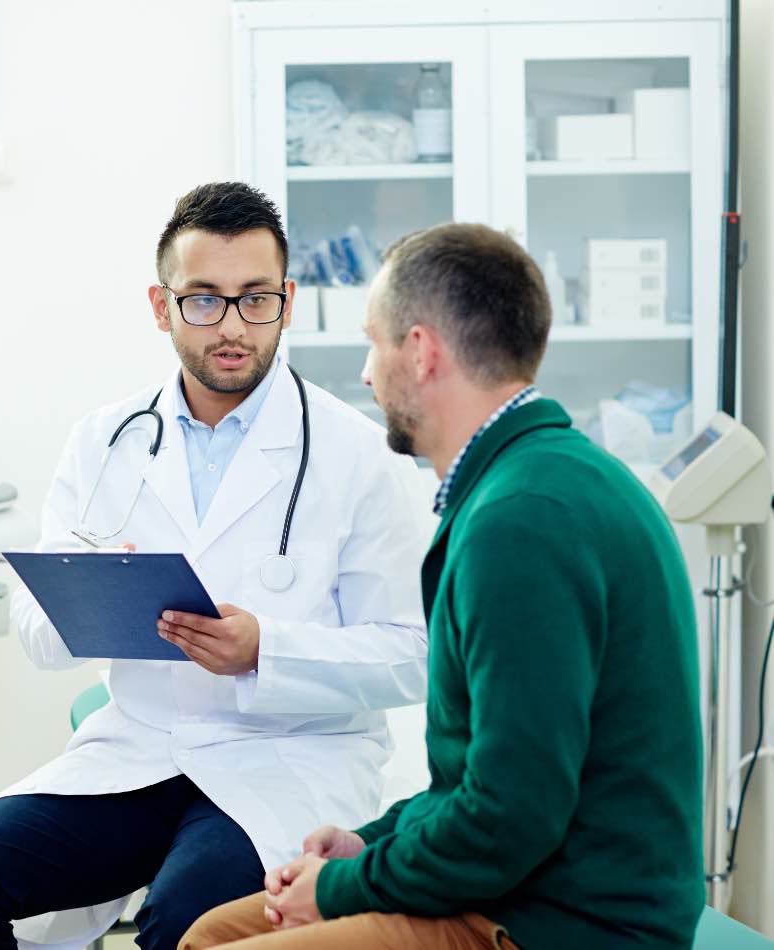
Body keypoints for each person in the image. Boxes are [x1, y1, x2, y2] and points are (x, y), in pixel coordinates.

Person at [0, 181, 431, 950]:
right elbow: (35, 630)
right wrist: (91, 600)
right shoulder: (104, 440)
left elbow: (412, 653)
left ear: (287, 301)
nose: (232, 326)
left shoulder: (357, 454)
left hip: (289, 759)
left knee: (185, 916)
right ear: (162, 307)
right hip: (142, 748)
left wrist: (267, 650)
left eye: (255, 299)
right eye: (203, 300)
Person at [179, 222, 704, 950]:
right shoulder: (544, 479)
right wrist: (370, 847)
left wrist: (341, 889)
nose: (366, 374)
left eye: (374, 343)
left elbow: (510, 816)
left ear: (420, 352)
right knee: (210, 930)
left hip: (563, 920)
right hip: (523, 882)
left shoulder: (520, 523)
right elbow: (482, 781)